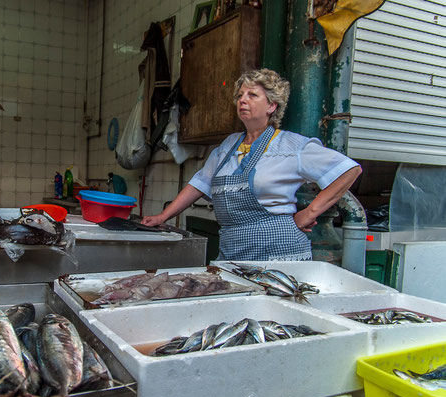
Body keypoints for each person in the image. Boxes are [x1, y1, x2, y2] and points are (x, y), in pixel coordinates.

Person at [141, 68, 362, 261]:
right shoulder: (228, 146)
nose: (242, 100)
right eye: (240, 95)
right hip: (232, 250)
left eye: (252, 95)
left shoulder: (292, 145)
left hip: (278, 253)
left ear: (272, 106)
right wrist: (163, 217)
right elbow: (200, 183)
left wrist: (310, 212)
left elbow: (349, 170)